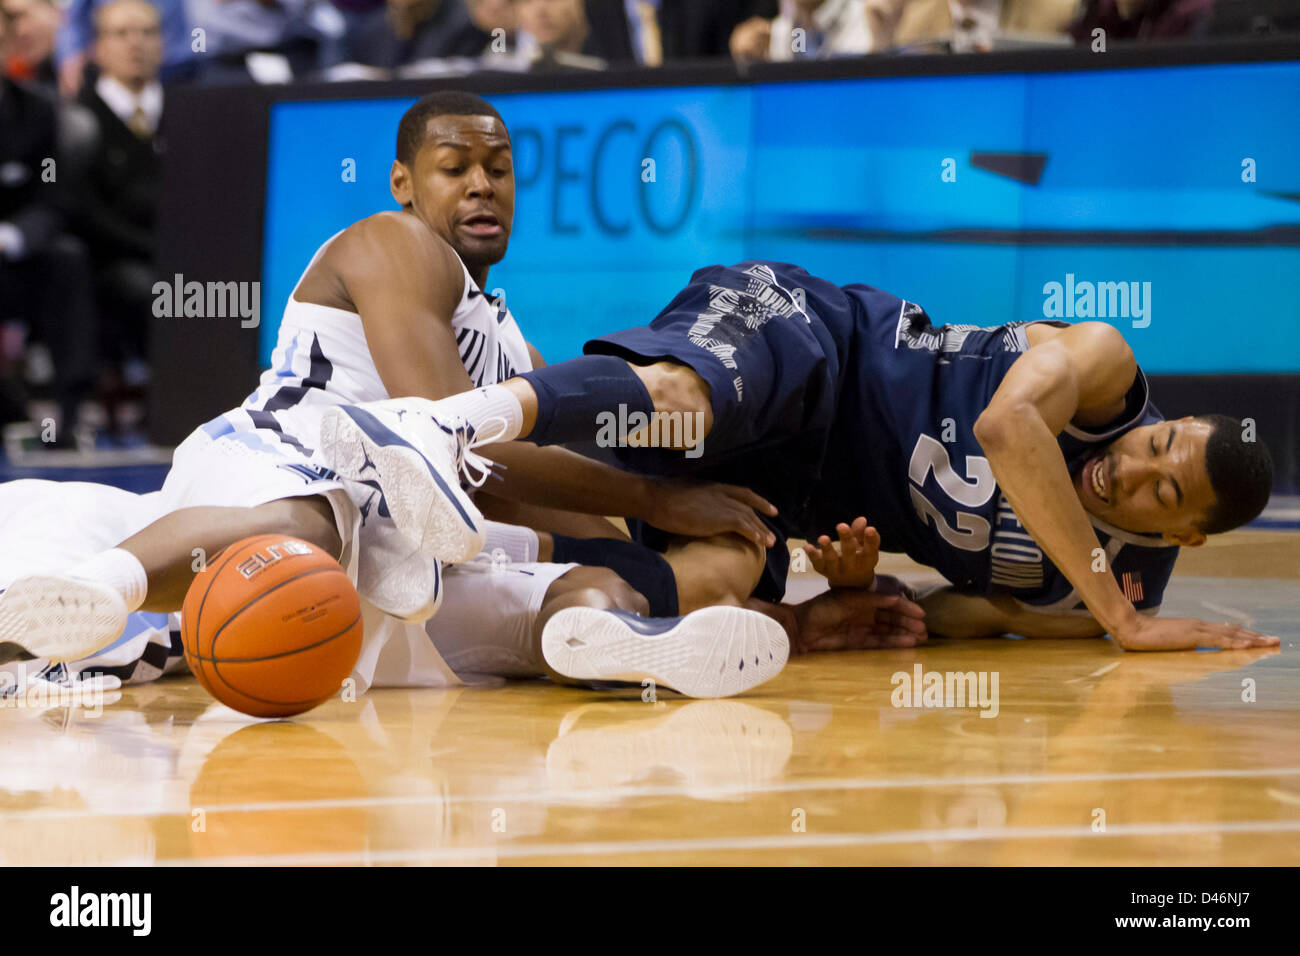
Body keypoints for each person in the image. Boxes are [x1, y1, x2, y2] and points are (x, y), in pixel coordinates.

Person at [0, 92, 828, 698]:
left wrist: (639, 555)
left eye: (499, 171)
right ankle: (101, 592)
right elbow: (456, 430)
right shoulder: (391, 241)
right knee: (326, 519)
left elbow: (534, 487)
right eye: (456, 167)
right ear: (403, 183)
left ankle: (606, 637)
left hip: (407, 565)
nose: (481, 186)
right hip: (274, 466)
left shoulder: (515, 345)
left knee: (579, 586)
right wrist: (656, 498)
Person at [368, 259, 1278, 652]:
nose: (1130, 468)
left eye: (1163, 493)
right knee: (685, 406)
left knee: (727, 574)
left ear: (1186, 537)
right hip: (819, 347)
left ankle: (588, 638)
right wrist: (1115, 617)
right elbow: (1007, 429)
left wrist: (853, 588)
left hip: (792, 494)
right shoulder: (1107, 371)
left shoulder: (1098, 594)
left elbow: (950, 614)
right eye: (1159, 444)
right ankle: (442, 422)